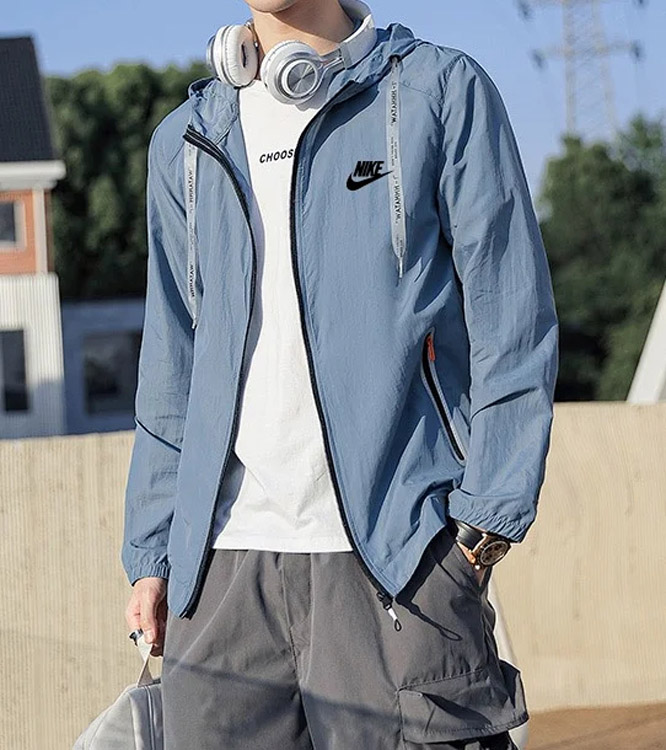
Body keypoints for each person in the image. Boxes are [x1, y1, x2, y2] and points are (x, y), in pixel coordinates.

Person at [122, 0, 559, 747]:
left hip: (401, 563)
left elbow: (511, 321)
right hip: (218, 582)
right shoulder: (187, 141)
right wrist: (153, 554)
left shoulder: (437, 92)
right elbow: (172, 363)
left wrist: (478, 535)